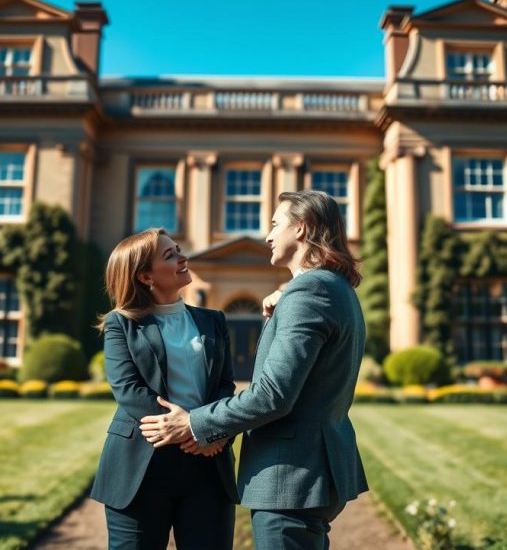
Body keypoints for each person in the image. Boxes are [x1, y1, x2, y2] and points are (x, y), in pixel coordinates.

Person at [139, 190, 369, 550]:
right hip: (311, 471)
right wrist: (288, 296)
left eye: (276, 225)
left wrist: (195, 422)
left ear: (302, 228)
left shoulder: (308, 294)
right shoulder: (332, 288)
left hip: (289, 478)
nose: (268, 236)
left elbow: (273, 396)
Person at [90, 228, 238, 550]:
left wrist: (209, 432)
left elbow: (226, 384)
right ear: (145, 276)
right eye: (170, 255)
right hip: (140, 469)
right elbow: (128, 389)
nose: (183, 257)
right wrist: (194, 431)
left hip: (207, 466)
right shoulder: (121, 323)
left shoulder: (214, 320)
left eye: (178, 249)